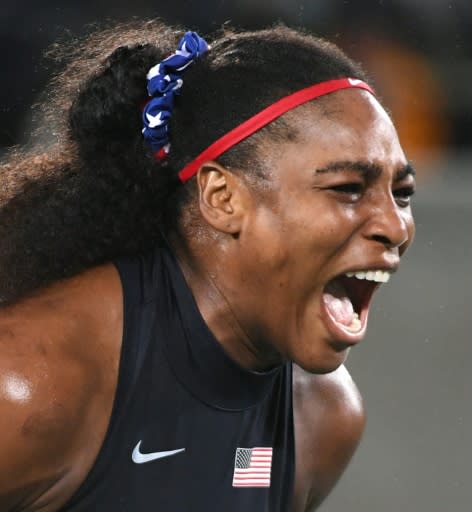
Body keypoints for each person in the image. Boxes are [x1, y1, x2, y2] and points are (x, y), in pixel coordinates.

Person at [0, 19, 415, 511]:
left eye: (402, 193)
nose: (395, 226)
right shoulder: (32, 381)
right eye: (348, 188)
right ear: (222, 198)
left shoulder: (322, 418)